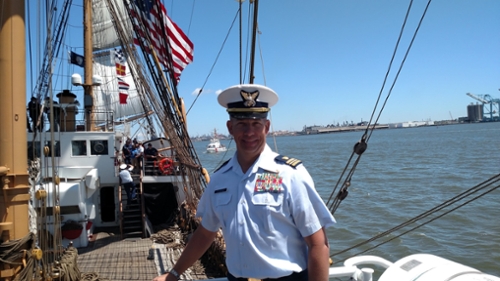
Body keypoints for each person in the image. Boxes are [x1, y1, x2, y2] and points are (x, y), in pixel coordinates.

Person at [153, 84, 335, 281]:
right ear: (230, 128)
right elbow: (205, 234)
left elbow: (318, 244)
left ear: (266, 127)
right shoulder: (219, 179)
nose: (249, 132)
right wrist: (173, 273)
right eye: (242, 124)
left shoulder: (290, 175)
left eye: (256, 124)